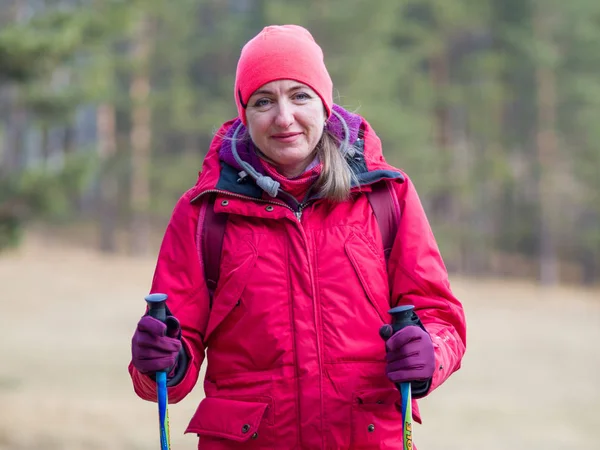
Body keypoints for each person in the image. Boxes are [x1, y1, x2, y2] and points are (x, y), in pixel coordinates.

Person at [129, 24, 466, 449]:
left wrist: (429, 354)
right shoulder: (204, 212)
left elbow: (440, 315)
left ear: (324, 105)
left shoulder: (386, 196)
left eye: (299, 96)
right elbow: (169, 368)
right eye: (264, 101)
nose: (283, 118)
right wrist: (162, 360)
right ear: (243, 112)